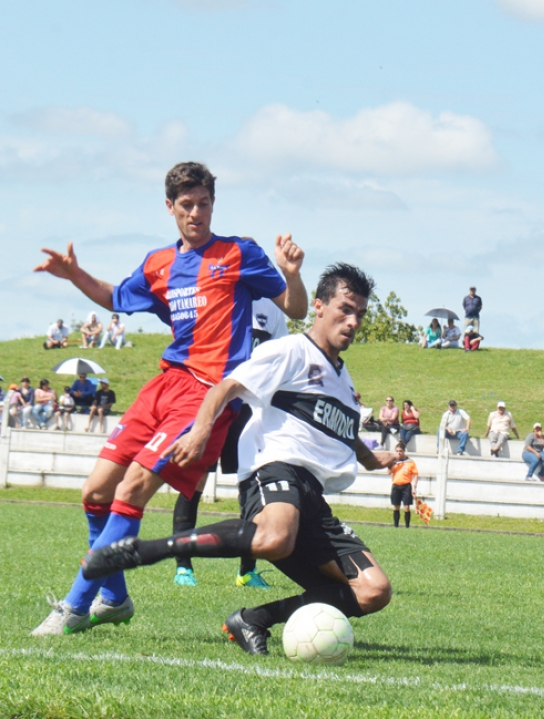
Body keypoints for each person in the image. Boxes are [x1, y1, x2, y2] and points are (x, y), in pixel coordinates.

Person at [32, 161, 307, 637]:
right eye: (186, 205)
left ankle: (74, 606)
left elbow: (296, 308)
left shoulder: (238, 253)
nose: (196, 213)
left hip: (208, 394)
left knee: (131, 490)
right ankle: (114, 599)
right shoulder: (158, 263)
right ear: (170, 207)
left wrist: (291, 274)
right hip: (165, 384)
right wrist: (76, 275)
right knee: (95, 492)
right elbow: (117, 296)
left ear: (213, 205)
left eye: (204, 204)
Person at [80, 263, 395, 657]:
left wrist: (375, 459)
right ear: (319, 306)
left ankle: (253, 620)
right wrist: (199, 430)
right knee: (275, 537)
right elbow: (225, 388)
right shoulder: (289, 350)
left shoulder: (344, 384)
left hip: (313, 498)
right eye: (344, 309)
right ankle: (149, 550)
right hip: (275, 469)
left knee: (374, 591)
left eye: (360, 314)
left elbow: (347, 436)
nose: (352, 322)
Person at [172, 296, 291, 589]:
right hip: (213, 402)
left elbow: (281, 359)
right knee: (194, 482)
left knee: (252, 488)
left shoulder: (272, 308)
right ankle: (183, 567)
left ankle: (247, 571)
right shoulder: (218, 296)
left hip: (250, 409)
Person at [389, 441, 418, 528]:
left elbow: (415, 474)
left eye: (400, 451)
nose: (398, 453)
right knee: (396, 506)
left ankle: (407, 526)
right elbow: (388, 472)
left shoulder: (410, 462)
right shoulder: (394, 461)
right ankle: (396, 526)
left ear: (404, 451)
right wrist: (393, 465)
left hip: (406, 486)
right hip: (396, 485)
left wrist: (414, 487)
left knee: (406, 507)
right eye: (397, 451)